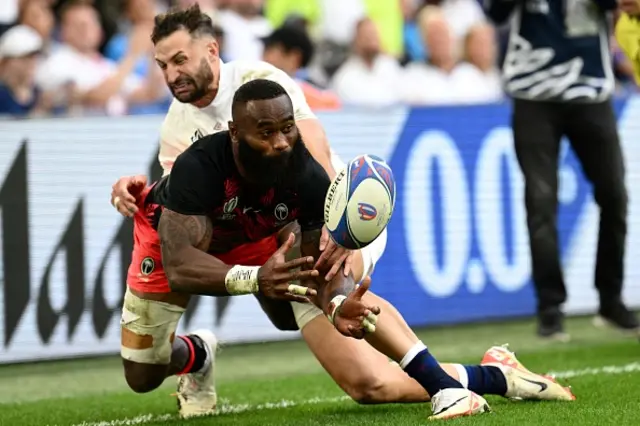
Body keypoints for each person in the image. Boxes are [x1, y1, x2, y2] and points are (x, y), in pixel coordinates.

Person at [111, 4, 575, 419]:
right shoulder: (178, 130)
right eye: (163, 65)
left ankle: (448, 387)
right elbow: (192, 210)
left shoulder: (257, 83)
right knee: (367, 382)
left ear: (211, 50)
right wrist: (139, 192)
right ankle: (495, 374)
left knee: (350, 327)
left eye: (179, 60)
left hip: (332, 215)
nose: (171, 75)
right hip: (270, 234)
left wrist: (335, 233)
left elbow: (309, 151)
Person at [484, 0, 639, 340]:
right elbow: (494, 11)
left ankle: (610, 299)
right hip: (533, 95)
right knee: (541, 201)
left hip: (591, 90)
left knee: (615, 194)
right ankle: (550, 308)